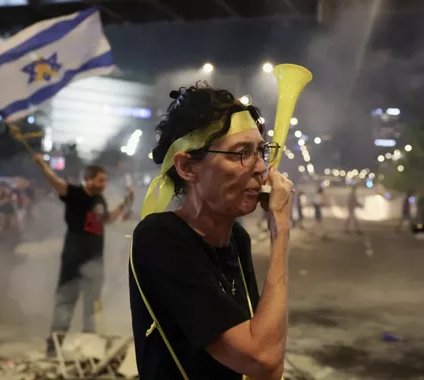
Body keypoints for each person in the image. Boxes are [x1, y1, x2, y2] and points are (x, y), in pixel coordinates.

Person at [129, 84, 293, 380]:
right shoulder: (160, 239)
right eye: (242, 153)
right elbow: (263, 360)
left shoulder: (236, 239)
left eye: (260, 152)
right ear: (188, 167)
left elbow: (269, 366)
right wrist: (280, 232)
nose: (261, 169)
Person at [33, 156, 134, 357]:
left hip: (95, 263)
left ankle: (90, 347)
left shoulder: (99, 200)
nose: (103, 184)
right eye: (100, 180)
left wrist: (125, 203)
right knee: (65, 304)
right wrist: (42, 165)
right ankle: (53, 348)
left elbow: (104, 220)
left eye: (105, 180)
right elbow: (56, 182)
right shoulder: (75, 194)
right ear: (88, 180)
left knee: (92, 308)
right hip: (73, 262)